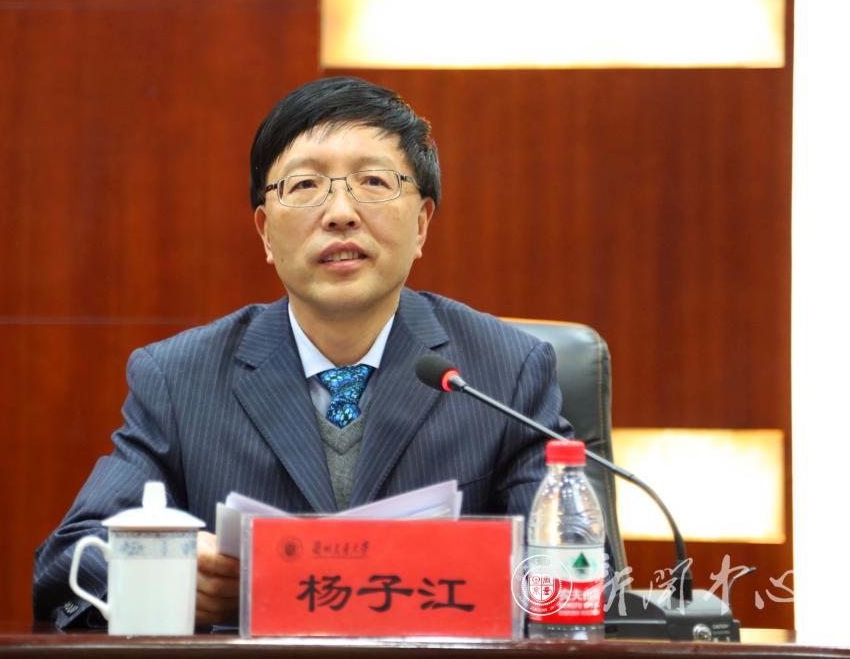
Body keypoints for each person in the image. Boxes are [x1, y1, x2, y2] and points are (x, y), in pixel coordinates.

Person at [32, 76, 571, 629]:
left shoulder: (505, 372)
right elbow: (65, 564)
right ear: (266, 233)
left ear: (421, 224)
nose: (340, 212)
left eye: (373, 181)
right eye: (306, 184)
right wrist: (166, 573)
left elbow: (574, 581)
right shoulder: (179, 378)